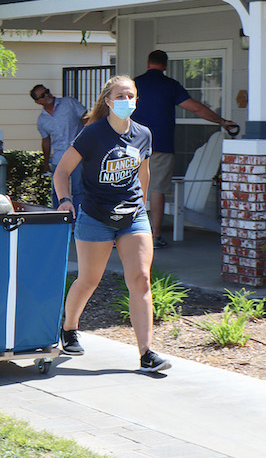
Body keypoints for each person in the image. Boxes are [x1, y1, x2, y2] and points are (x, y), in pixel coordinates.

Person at [53, 75, 171, 372]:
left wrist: (142, 206)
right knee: (89, 280)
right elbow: (62, 171)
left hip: (133, 216)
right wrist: (65, 200)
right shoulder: (92, 134)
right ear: (107, 101)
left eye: (130, 96)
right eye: (120, 96)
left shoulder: (143, 134)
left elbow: (143, 173)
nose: (126, 101)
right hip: (96, 216)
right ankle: (69, 328)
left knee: (141, 279)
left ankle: (146, 353)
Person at [133, 50, 236, 249]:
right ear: (165, 65)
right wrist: (221, 121)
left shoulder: (134, 84)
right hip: (160, 145)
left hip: (133, 145)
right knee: (157, 189)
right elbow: (195, 108)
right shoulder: (170, 85)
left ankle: (122, 234)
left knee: (128, 188)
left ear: (148, 63)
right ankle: (155, 236)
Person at [31, 84, 87, 210]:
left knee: (78, 189)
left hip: (77, 154)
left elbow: (86, 118)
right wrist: (46, 163)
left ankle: (78, 219)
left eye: (47, 91)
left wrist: (86, 141)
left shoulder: (69, 103)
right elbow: (46, 141)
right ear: (38, 102)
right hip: (59, 158)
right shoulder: (42, 120)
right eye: (42, 95)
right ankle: (59, 217)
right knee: (57, 191)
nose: (47, 95)